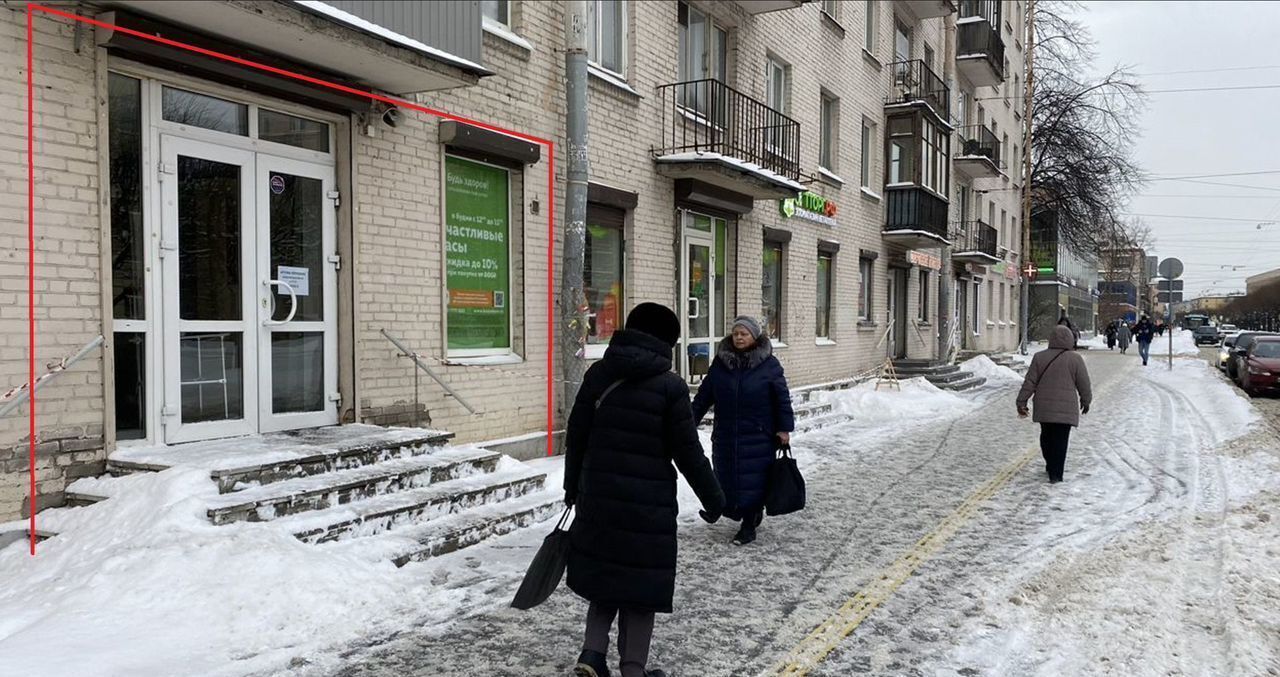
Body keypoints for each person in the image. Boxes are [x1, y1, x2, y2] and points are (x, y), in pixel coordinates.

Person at [564, 302, 725, 677]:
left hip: (599, 496)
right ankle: (634, 669)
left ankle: (591, 655)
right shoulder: (669, 386)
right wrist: (714, 498)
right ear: (666, 342)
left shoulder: (598, 374)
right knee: (640, 586)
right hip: (647, 504)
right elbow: (687, 451)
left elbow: (578, 435)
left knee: (605, 577)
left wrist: (573, 489)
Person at [691, 315, 795, 546]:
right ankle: (721, 506)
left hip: (758, 434)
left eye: (744, 333)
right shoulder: (721, 363)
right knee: (725, 474)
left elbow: (782, 399)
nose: (739, 337)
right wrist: (688, 421)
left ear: (754, 337)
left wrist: (784, 428)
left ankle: (749, 524)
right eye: (736, 333)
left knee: (754, 479)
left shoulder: (769, 365)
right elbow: (704, 396)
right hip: (726, 433)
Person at [1017, 325, 1093, 483]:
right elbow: (1084, 383)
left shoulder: (1039, 357)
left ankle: (1050, 462)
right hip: (1066, 409)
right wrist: (1086, 400)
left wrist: (1022, 401)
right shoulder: (1076, 359)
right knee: (1061, 440)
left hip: (1045, 408)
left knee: (1046, 437)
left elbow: (1030, 382)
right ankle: (1056, 473)